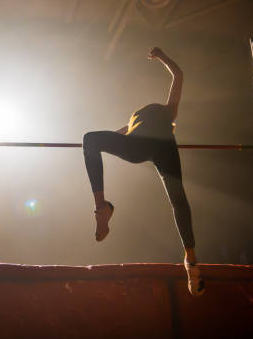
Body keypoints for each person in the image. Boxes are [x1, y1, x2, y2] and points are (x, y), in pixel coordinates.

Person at [82, 47, 205, 296]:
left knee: (178, 201)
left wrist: (162, 57)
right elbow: (116, 136)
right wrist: (90, 149)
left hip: (157, 147)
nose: (148, 108)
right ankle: (102, 207)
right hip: (144, 146)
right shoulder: (135, 121)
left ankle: (191, 261)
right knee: (90, 139)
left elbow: (178, 75)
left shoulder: (170, 109)